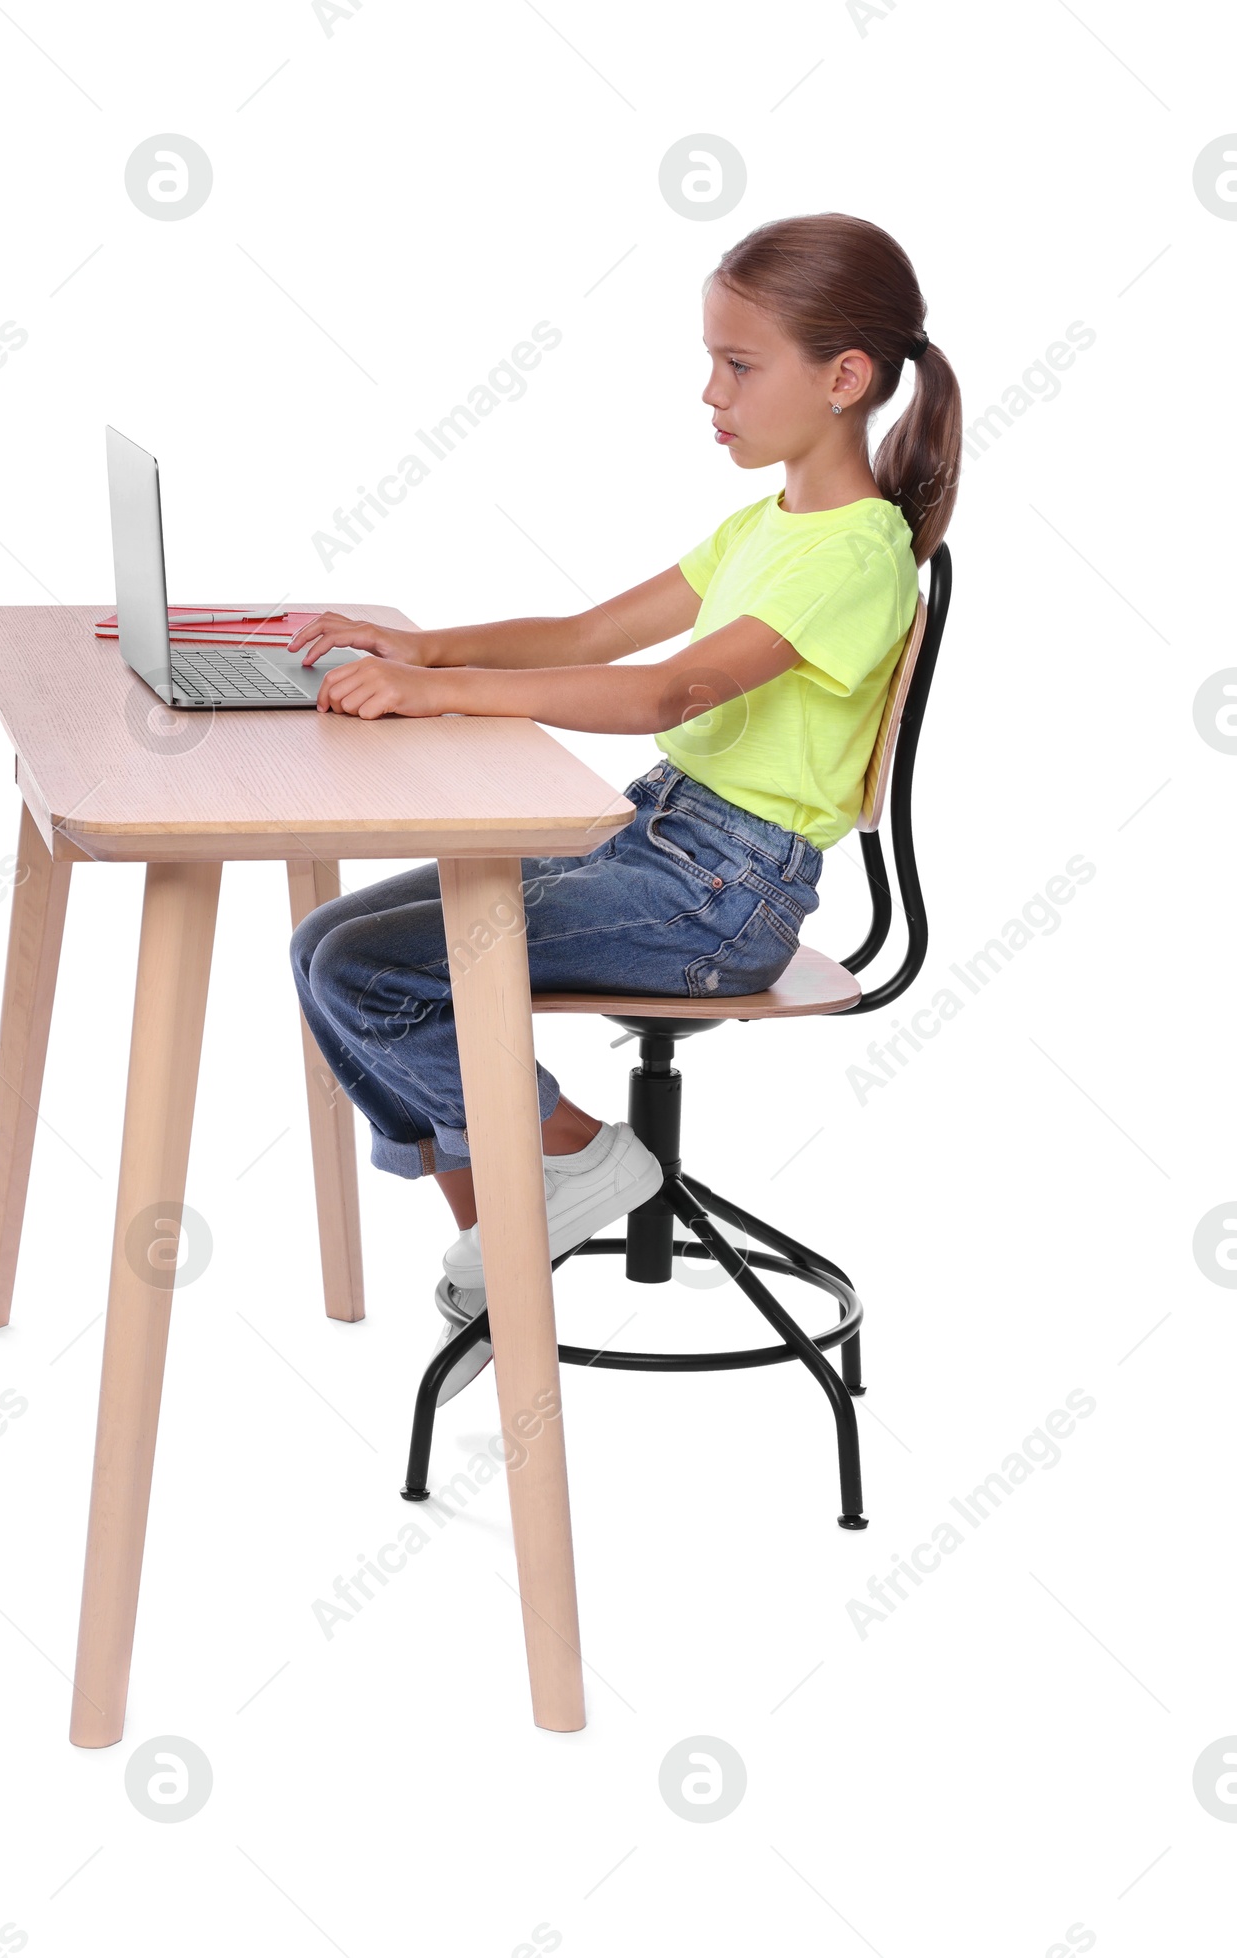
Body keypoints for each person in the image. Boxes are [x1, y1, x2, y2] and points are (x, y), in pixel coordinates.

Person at [288, 211, 963, 1402]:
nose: (711, 391)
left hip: (719, 893)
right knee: (326, 949)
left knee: (371, 977)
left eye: (739, 365)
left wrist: (434, 701)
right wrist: (420, 650)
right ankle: (518, 1237)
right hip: (660, 836)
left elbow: (672, 683)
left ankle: (577, 1161)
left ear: (844, 377)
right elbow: (592, 632)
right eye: (711, 360)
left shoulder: (856, 553)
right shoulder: (765, 525)